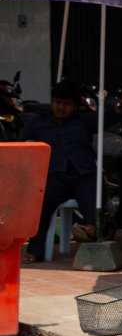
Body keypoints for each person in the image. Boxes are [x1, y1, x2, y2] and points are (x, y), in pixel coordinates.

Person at [20, 80, 98, 263]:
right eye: (58, 102)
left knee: (94, 190)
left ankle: (92, 230)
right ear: (52, 102)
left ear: (76, 106)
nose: (61, 107)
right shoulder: (37, 122)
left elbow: (110, 116)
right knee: (42, 199)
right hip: (54, 174)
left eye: (67, 104)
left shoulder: (85, 121)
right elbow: (22, 145)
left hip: (83, 173)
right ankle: (36, 250)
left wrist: (121, 106)